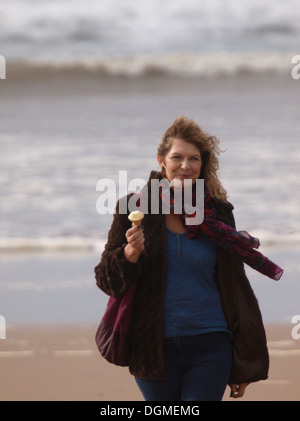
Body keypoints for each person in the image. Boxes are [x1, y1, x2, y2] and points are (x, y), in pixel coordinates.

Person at [94, 116, 283, 401]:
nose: (185, 166)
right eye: (177, 157)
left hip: (212, 342)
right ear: (161, 160)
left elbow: (235, 287)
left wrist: (245, 363)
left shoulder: (218, 212)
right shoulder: (134, 208)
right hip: (152, 345)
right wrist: (130, 253)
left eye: (193, 158)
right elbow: (106, 280)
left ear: (202, 164)